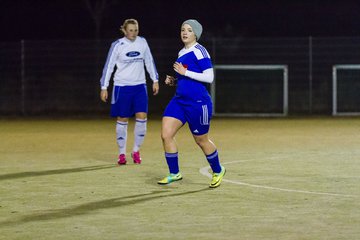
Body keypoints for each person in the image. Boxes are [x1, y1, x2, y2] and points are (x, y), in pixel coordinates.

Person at [157, 19, 225, 188]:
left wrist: (185, 71)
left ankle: (218, 170)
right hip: (179, 101)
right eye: (182, 29)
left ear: (196, 34)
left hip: (198, 102)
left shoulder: (200, 51)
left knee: (201, 140)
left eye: (189, 30)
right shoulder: (181, 52)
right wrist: (174, 80)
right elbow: (185, 79)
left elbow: (209, 77)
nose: (185, 32)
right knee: (166, 135)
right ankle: (174, 173)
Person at [100, 18, 159, 165]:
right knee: (123, 118)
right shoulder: (117, 45)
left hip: (140, 87)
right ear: (124, 30)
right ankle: (121, 154)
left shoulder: (142, 42)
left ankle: (136, 150)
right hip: (122, 87)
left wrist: (155, 80)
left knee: (142, 117)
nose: (133, 33)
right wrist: (104, 87)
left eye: (136, 30)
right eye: (130, 30)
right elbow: (109, 67)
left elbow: (149, 61)